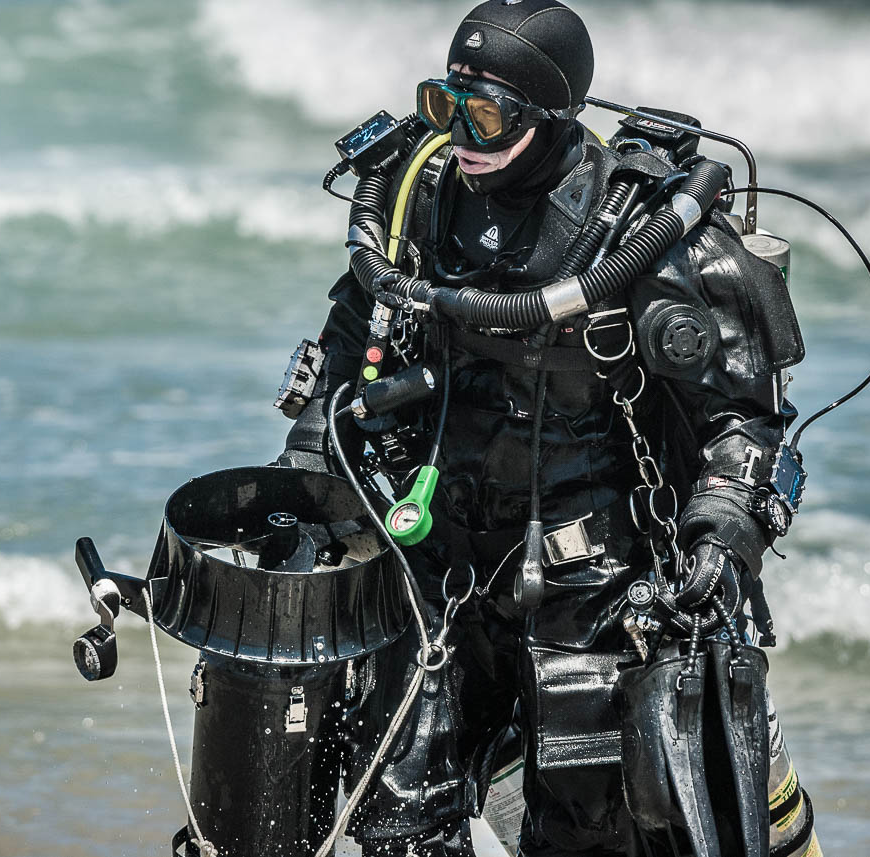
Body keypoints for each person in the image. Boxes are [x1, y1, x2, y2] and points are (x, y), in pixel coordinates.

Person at [274, 2, 822, 855]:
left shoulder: (638, 231)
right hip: (439, 567)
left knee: (586, 835)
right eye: (444, 105)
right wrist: (300, 480)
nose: (460, 135)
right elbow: (349, 352)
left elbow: (741, 422)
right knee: (393, 823)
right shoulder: (419, 199)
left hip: (591, 589)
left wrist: (721, 540)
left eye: (486, 115)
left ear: (550, 113)